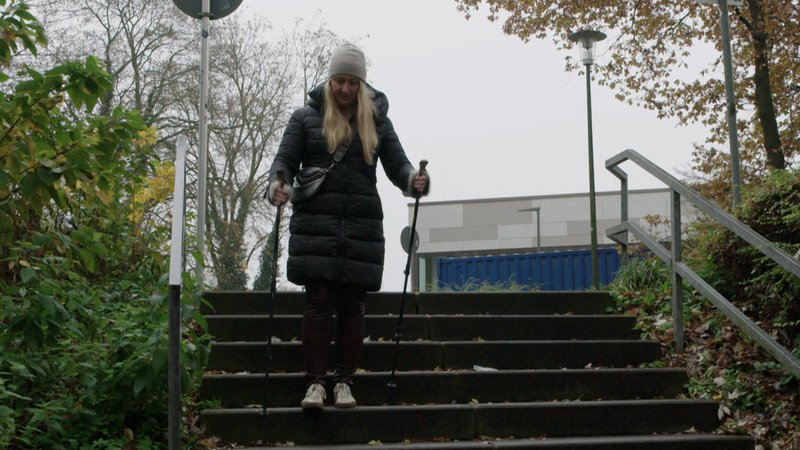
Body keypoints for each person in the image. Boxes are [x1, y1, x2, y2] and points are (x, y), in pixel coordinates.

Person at [266, 43, 429, 410]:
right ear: (329, 81)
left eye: (352, 82)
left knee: (354, 305)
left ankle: (344, 382)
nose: (345, 89)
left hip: (361, 222)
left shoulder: (378, 122)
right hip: (316, 222)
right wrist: (279, 184)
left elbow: (398, 167)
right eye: (339, 81)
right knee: (319, 300)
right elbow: (284, 162)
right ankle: (315, 384)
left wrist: (414, 180)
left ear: (362, 83)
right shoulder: (304, 119)